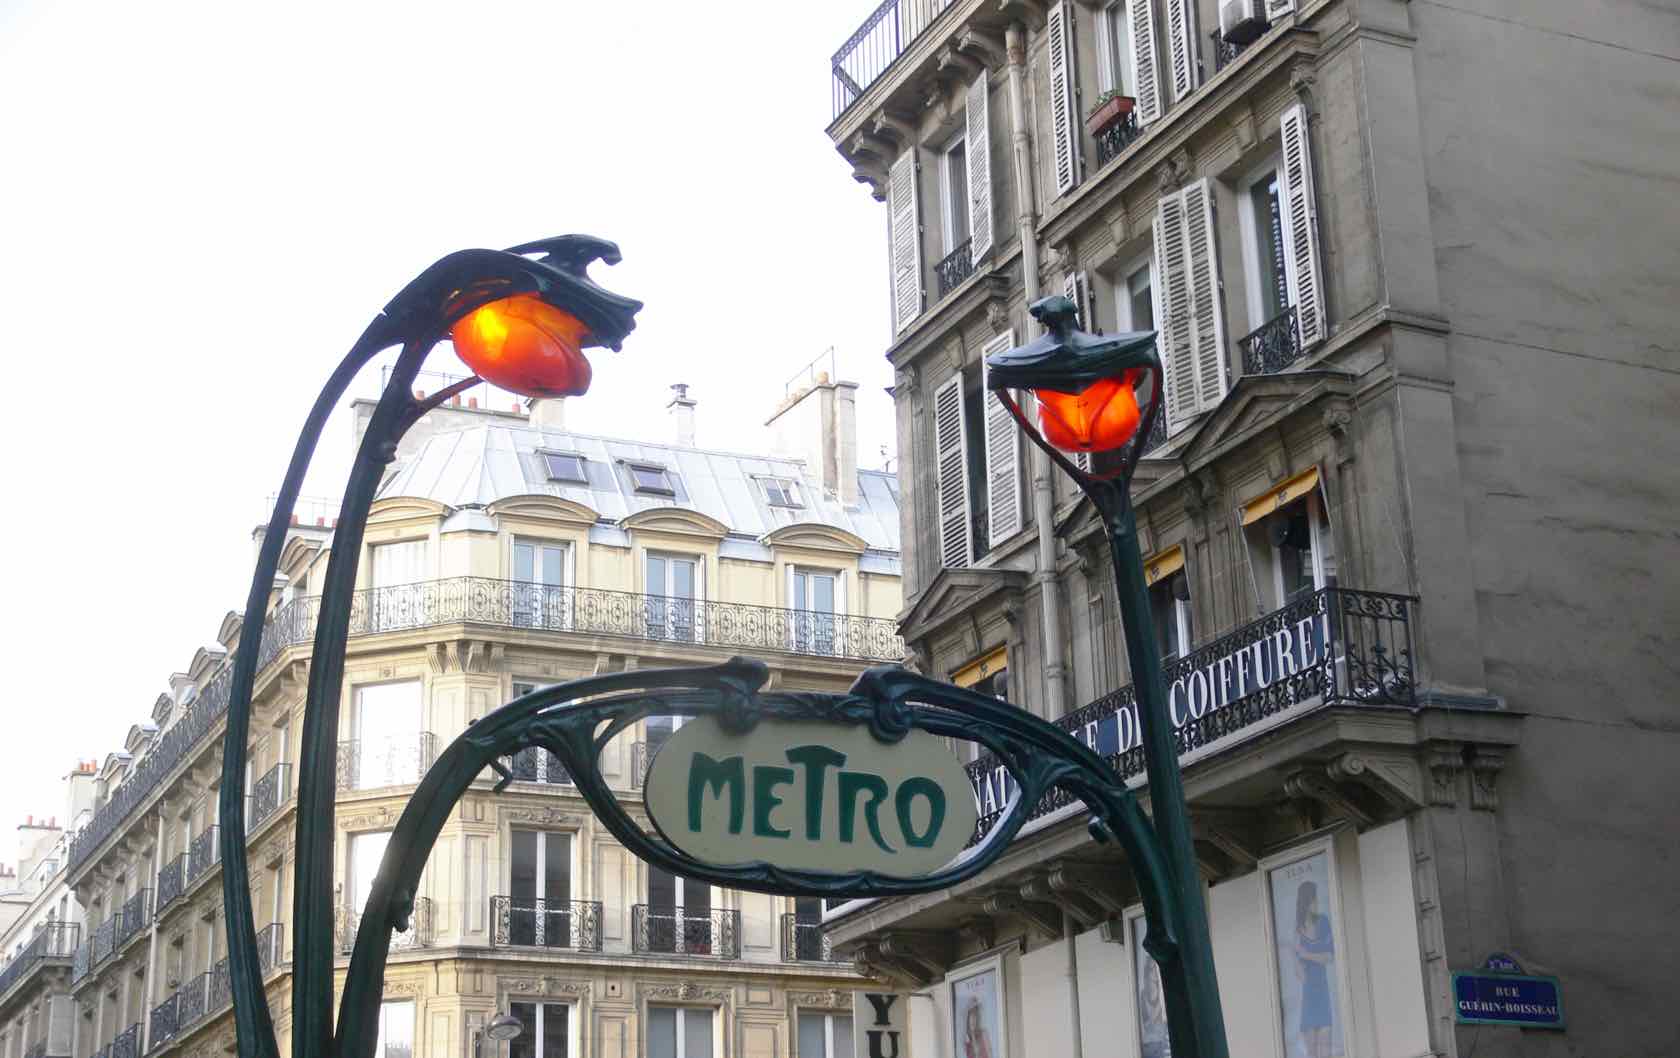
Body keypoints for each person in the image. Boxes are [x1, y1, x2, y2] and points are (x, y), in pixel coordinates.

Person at [1293, 881, 1337, 1058]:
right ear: (1306, 901)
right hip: (1308, 992)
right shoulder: (1298, 931)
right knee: (1312, 1052)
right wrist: (1299, 962)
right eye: (1313, 898)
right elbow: (1298, 973)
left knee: (1325, 1048)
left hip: (1322, 989)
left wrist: (1306, 955)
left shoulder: (1323, 922)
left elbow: (1329, 957)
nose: (1316, 902)